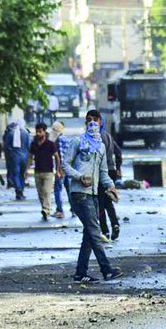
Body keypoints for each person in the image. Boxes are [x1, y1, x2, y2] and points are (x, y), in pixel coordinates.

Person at [63, 113, 122, 282]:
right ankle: (107, 270)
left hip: (94, 194)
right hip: (80, 193)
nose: (92, 124)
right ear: (85, 123)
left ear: (100, 123)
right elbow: (65, 165)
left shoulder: (101, 147)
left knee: (89, 235)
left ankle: (80, 273)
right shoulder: (77, 142)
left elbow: (103, 172)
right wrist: (79, 176)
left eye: (95, 121)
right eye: (89, 121)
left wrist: (111, 186)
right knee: (95, 233)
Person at [92, 112, 122, 240]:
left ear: (100, 122)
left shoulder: (97, 138)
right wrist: (118, 167)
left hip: (101, 172)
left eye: (95, 120)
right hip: (111, 171)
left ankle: (105, 230)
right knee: (108, 201)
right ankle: (115, 224)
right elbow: (118, 152)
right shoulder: (109, 136)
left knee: (100, 203)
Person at [29, 122, 59, 221]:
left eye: (40, 132)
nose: (38, 134)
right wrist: (26, 170)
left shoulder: (50, 144)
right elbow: (30, 157)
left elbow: (56, 157)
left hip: (48, 172)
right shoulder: (34, 144)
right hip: (37, 171)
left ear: (44, 132)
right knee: (40, 193)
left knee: (46, 191)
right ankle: (44, 209)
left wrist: (58, 170)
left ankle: (46, 210)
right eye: (37, 132)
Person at [3, 119, 29, 200]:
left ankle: (18, 190)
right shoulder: (26, 134)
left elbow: (6, 147)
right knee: (22, 174)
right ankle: (21, 189)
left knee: (15, 174)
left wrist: (10, 154)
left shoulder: (11, 134)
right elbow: (29, 146)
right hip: (24, 157)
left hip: (14, 157)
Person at [49, 120, 69, 218]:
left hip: (62, 169)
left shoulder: (59, 140)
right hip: (69, 169)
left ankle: (60, 210)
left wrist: (59, 170)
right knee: (69, 190)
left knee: (57, 189)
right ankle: (74, 210)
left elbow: (61, 156)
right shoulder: (66, 138)